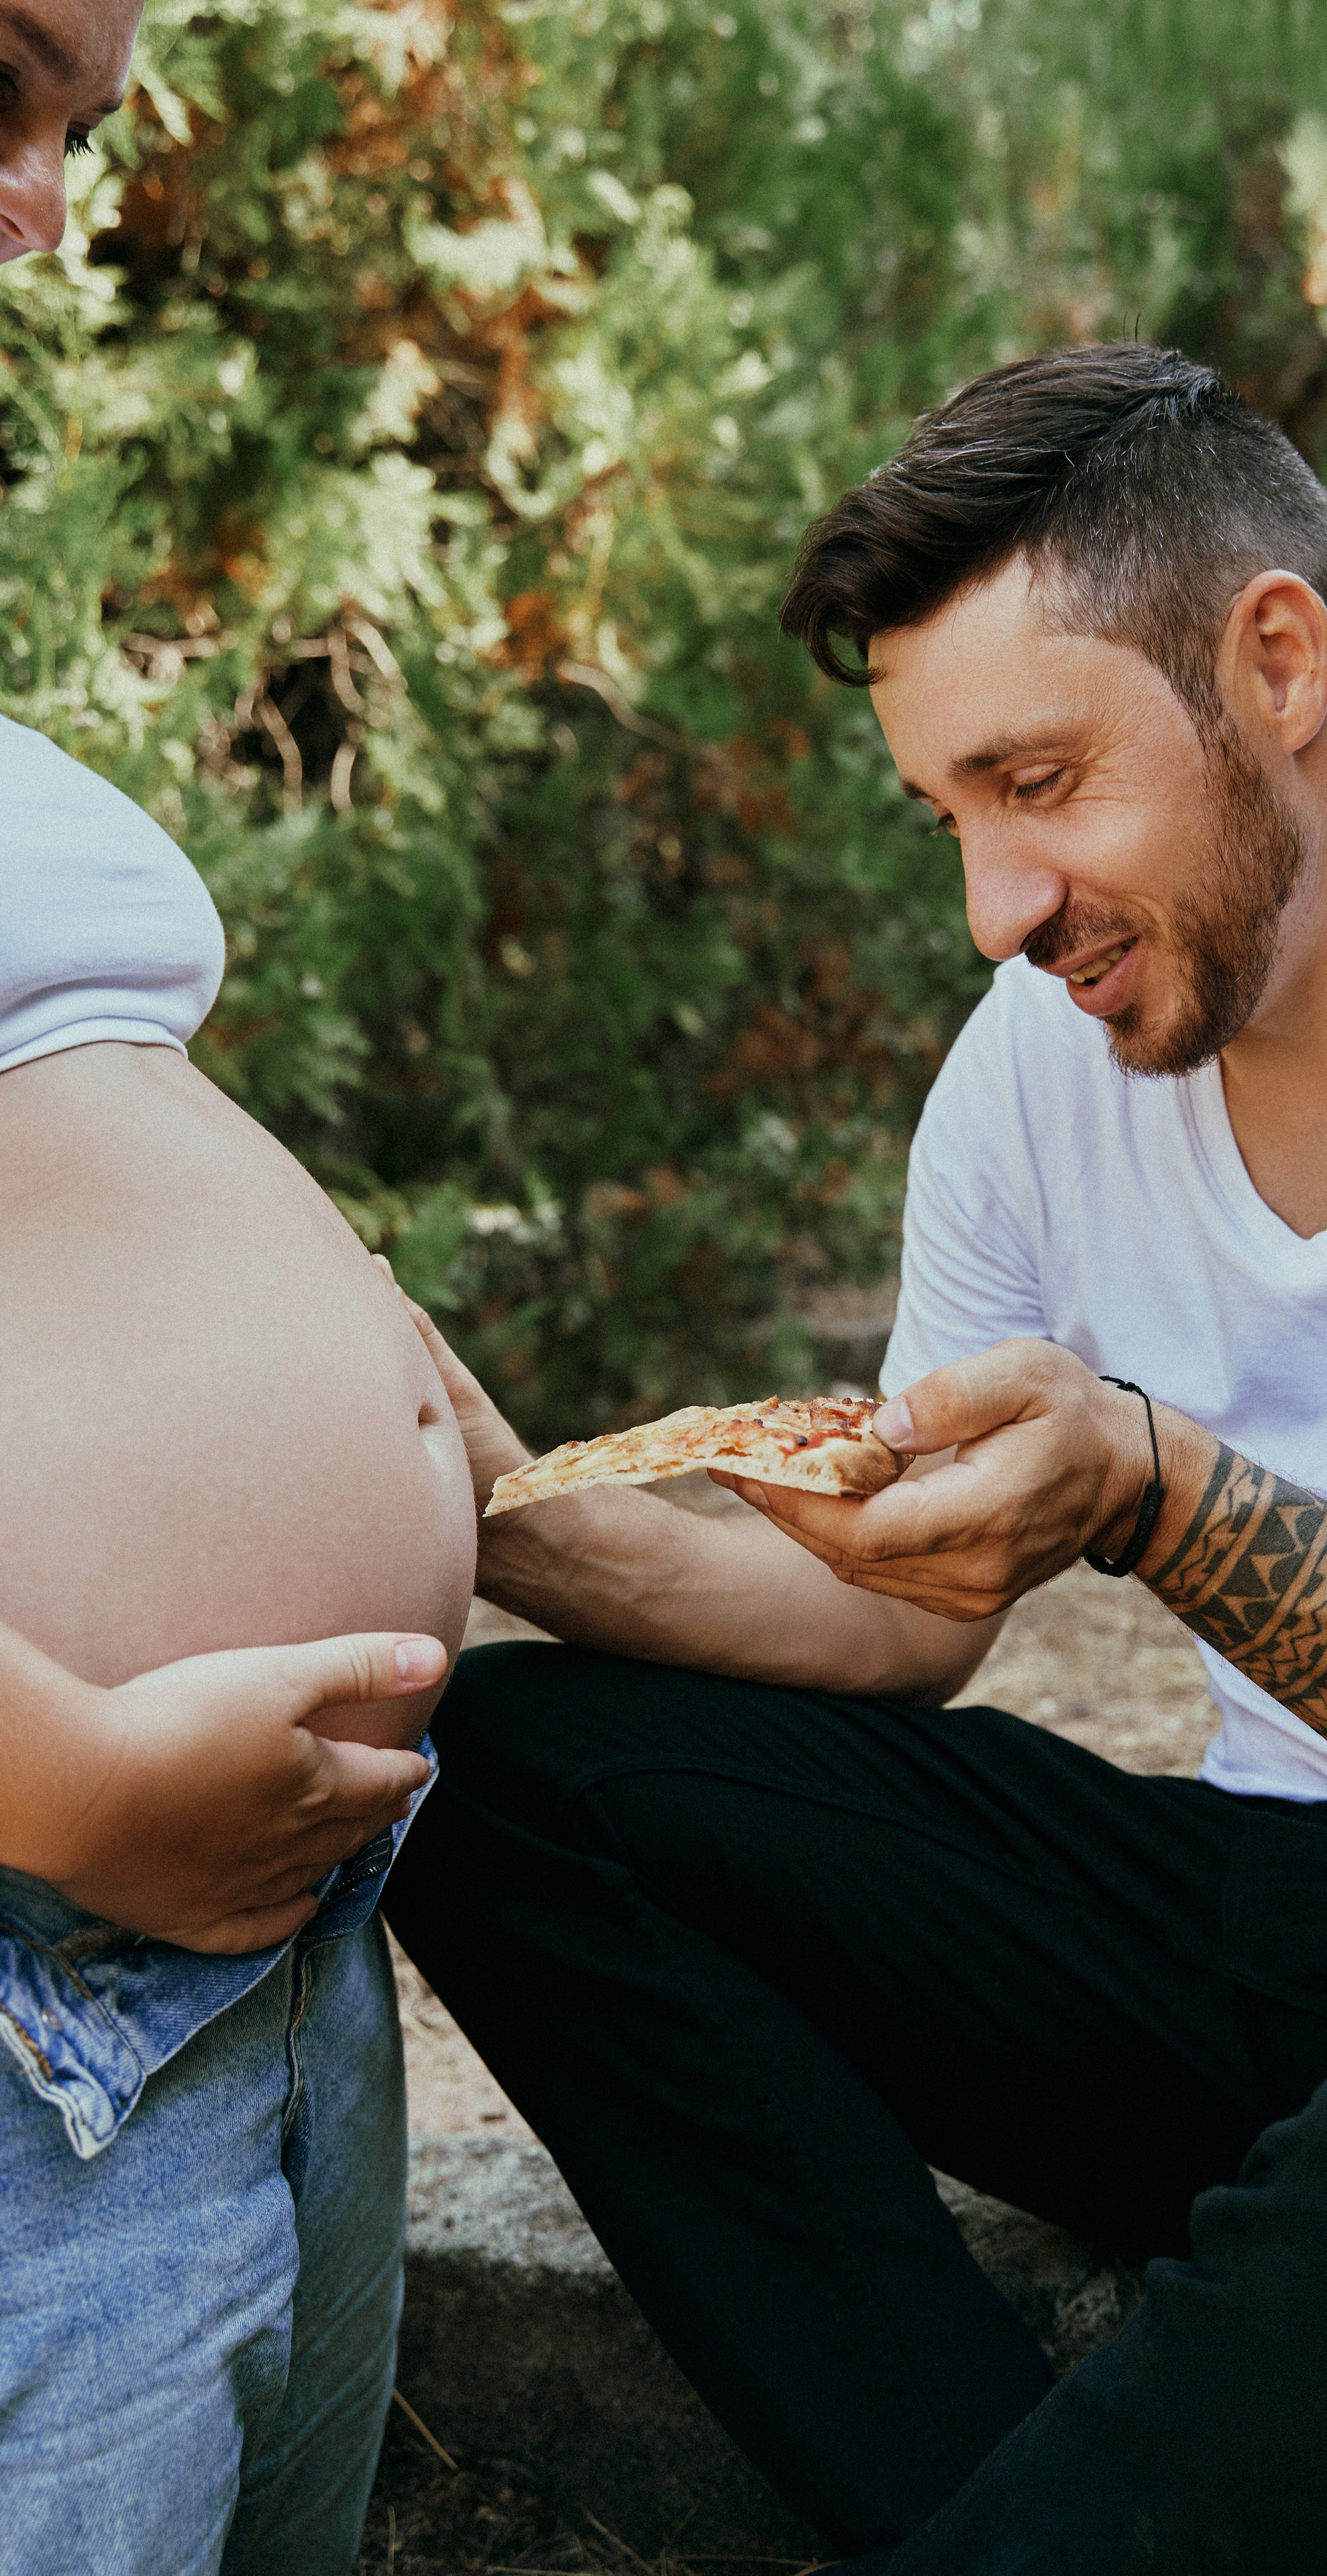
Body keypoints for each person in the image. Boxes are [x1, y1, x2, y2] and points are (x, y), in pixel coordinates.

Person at [384, 340, 1327, 2576]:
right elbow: (902, 1615)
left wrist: (1166, 1497)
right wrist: (508, 1519)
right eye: (953, 821)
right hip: (1263, 1929)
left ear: (1272, 659)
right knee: (514, 1780)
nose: (997, 906)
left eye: (1041, 782)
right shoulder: (1035, 1063)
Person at [0, 6, 478, 2569]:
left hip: (259, 1977)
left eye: (78, 128)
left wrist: (547, 1496)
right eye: (1, 82)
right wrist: (67, 1782)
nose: (50, 206)